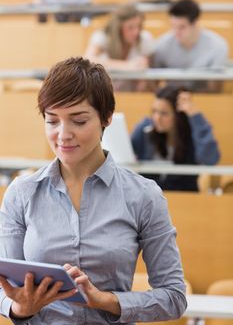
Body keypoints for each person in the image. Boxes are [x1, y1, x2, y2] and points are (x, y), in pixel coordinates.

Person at [0, 57, 186, 324]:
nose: (63, 134)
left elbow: (174, 297)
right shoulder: (21, 193)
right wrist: (20, 308)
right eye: (52, 121)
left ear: (106, 118)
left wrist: (107, 300)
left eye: (78, 121)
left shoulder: (144, 195)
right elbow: (3, 289)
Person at [131, 85, 220, 191]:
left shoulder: (193, 133)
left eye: (164, 113)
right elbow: (123, 153)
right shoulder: (145, 128)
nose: (157, 118)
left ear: (178, 116)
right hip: (148, 200)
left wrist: (195, 115)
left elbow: (210, 159)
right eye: (154, 111)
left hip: (184, 199)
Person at [151, 0, 229, 93]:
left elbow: (215, 89)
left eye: (182, 27)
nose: (176, 32)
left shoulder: (217, 46)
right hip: (171, 100)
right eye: (173, 26)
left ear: (195, 24)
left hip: (203, 99)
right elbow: (153, 82)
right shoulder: (162, 44)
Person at [84, 4, 156, 91]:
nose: (136, 32)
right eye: (130, 27)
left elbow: (147, 82)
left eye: (139, 26)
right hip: (105, 91)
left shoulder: (145, 38)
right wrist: (127, 66)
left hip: (132, 94)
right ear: (118, 27)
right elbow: (88, 59)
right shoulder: (103, 36)